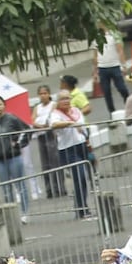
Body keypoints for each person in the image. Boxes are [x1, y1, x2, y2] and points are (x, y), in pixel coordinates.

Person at [0, 95, 32, 223]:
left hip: (14, 157)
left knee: (20, 185)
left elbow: (27, 130)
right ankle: (12, 215)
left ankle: (25, 213)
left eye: (0, 104)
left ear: (4, 105)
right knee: (6, 188)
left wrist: (19, 144)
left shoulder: (12, 118)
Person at [46, 90, 92, 220]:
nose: (66, 101)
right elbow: (54, 125)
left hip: (81, 145)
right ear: (58, 101)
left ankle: (82, 206)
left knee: (83, 179)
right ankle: (81, 208)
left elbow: (83, 126)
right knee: (79, 176)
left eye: (68, 98)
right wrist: (69, 123)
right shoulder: (55, 114)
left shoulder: (76, 111)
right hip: (67, 148)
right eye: (63, 99)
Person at [31, 85, 67, 198]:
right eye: (41, 94)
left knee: (55, 162)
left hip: (51, 135)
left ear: (49, 94)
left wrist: (43, 124)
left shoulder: (53, 105)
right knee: (45, 164)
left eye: (45, 93)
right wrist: (40, 125)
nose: (43, 96)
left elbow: (51, 118)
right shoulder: (37, 108)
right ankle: (49, 189)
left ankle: (60, 188)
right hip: (41, 136)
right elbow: (33, 121)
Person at [93, 25, 130, 116]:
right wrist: (95, 71)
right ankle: (112, 113)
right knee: (106, 92)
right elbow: (95, 55)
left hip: (115, 66)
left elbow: (120, 50)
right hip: (102, 68)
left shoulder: (114, 34)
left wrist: (123, 65)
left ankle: (129, 108)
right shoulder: (96, 36)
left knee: (122, 89)